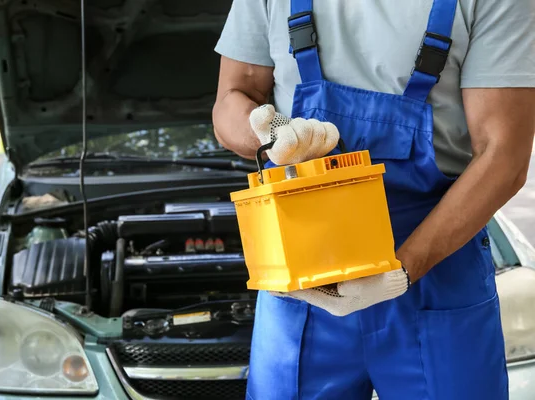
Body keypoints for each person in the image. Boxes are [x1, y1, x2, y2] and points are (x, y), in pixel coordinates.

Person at [212, 1, 535, 399]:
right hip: (301, 271)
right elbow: (232, 97)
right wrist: (273, 135)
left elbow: (503, 155)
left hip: (436, 266)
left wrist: (400, 270)